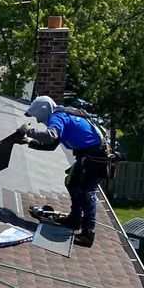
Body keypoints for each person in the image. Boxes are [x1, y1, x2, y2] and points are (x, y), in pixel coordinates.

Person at [17, 95, 112, 248]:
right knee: (72, 183)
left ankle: (87, 233)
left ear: (43, 111)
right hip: (90, 155)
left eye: (37, 116)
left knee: (87, 193)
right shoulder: (62, 115)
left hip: (97, 157)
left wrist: (29, 132)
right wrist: (30, 142)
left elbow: (50, 136)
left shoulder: (58, 117)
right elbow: (51, 144)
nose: (39, 120)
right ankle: (74, 219)